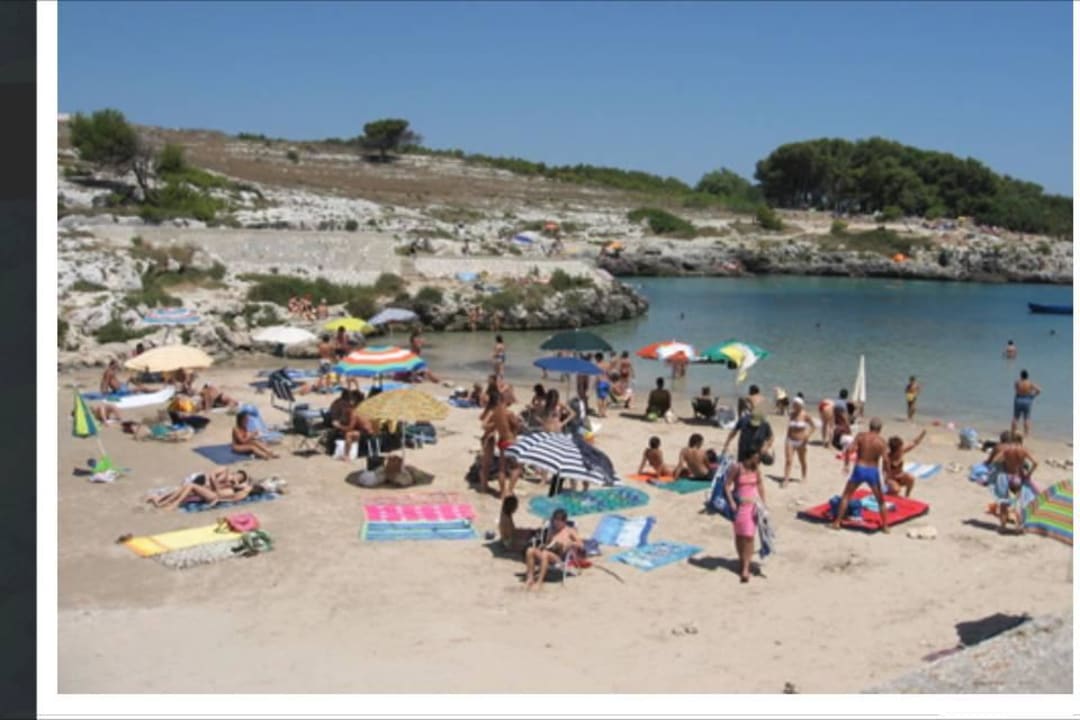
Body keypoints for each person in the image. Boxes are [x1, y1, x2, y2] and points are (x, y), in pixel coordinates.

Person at [831, 418, 889, 533]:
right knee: (880, 500)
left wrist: (847, 464)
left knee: (846, 495)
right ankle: (885, 527)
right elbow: (886, 460)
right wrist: (885, 473)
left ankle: (837, 522)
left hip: (859, 468)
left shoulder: (861, 436)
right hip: (872, 470)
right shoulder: (882, 442)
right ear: (880, 429)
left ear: (870, 427)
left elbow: (849, 449)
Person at [724, 451, 767, 583]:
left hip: (753, 507)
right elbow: (727, 485)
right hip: (739, 506)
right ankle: (742, 561)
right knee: (740, 536)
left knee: (749, 536)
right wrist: (731, 501)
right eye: (756, 458)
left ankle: (746, 567)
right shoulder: (737, 467)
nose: (758, 461)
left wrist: (764, 503)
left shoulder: (757, 470)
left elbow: (760, 485)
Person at [989, 432, 1039, 532]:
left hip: (1005, 477)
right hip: (1018, 478)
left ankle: (1003, 527)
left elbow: (994, 461)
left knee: (1003, 503)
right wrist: (1028, 474)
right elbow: (1035, 463)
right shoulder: (1023, 450)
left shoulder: (1007, 450)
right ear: (1021, 441)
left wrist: (1003, 464)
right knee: (1019, 503)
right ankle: (1019, 527)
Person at [523, 508, 583, 590]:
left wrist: (571, 544)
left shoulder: (570, 531)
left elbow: (581, 545)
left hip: (559, 558)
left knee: (545, 554)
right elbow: (547, 544)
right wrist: (544, 545)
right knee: (530, 550)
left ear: (564, 521)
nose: (556, 523)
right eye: (555, 520)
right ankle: (530, 578)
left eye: (559, 520)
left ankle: (539, 582)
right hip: (548, 553)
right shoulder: (552, 530)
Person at [146, 469, 257, 510]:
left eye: (241, 479)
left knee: (190, 486)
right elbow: (212, 476)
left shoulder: (241, 491)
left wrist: (238, 486)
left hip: (214, 496)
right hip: (212, 492)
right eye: (238, 475)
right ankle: (161, 500)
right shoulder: (229, 480)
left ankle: (172, 503)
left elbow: (230, 498)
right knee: (186, 488)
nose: (238, 478)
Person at [782, 396, 816, 487]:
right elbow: (789, 427)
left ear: (800, 405)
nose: (794, 406)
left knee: (802, 460)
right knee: (788, 460)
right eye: (793, 404)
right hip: (790, 440)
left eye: (796, 404)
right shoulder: (792, 414)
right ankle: (786, 479)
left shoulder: (805, 415)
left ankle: (804, 477)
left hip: (801, 441)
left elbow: (813, 426)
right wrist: (786, 438)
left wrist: (807, 435)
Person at [884, 429, 927, 497]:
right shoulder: (887, 458)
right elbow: (884, 473)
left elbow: (914, 443)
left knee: (911, 479)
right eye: (900, 448)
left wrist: (922, 434)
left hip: (900, 476)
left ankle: (907, 496)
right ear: (895, 450)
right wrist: (894, 476)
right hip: (890, 480)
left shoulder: (902, 452)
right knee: (896, 490)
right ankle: (888, 494)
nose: (901, 449)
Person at [1011, 369, 1041, 438]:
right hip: (1027, 399)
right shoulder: (1030, 383)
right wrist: (1033, 396)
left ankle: (1013, 432)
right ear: (1027, 376)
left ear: (1021, 376)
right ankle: (1026, 434)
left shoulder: (1017, 382)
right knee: (1026, 418)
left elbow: (1016, 389)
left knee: (1015, 417)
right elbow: (1039, 390)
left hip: (1018, 399)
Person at [594, 352, 611, 418]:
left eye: (596, 358)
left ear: (598, 358)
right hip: (606, 382)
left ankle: (600, 413)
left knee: (599, 398)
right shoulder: (607, 364)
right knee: (605, 398)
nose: (595, 360)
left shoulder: (597, 365)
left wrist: (595, 384)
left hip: (600, 383)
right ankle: (604, 413)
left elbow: (597, 376)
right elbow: (609, 374)